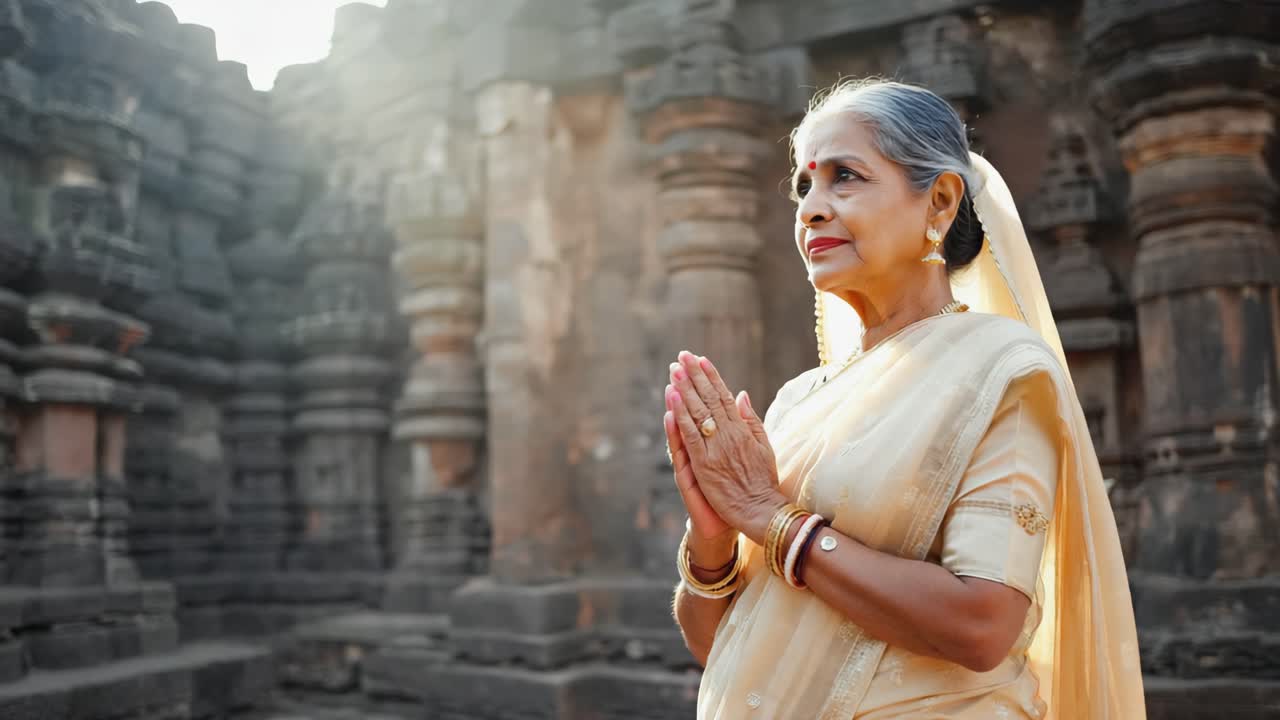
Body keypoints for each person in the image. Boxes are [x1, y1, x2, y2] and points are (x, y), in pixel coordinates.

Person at [662, 79, 1146, 719]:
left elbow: (982, 625)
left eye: (846, 177)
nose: (811, 208)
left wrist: (769, 518)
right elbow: (716, 643)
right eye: (804, 185)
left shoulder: (1000, 373)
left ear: (939, 203)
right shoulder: (800, 400)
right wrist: (714, 533)